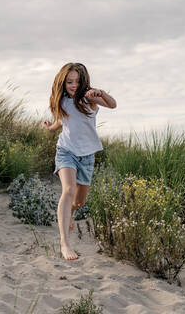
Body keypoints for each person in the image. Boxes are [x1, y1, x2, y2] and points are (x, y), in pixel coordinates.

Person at [42, 63, 117, 260]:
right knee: (68, 190)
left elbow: (112, 104)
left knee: (80, 201)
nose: (74, 85)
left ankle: (69, 214)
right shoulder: (63, 102)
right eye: (69, 82)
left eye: (77, 81)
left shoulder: (88, 97)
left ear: (83, 81)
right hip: (66, 151)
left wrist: (101, 94)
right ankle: (65, 243)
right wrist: (50, 128)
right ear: (63, 82)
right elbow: (61, 121)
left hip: (87, 155)